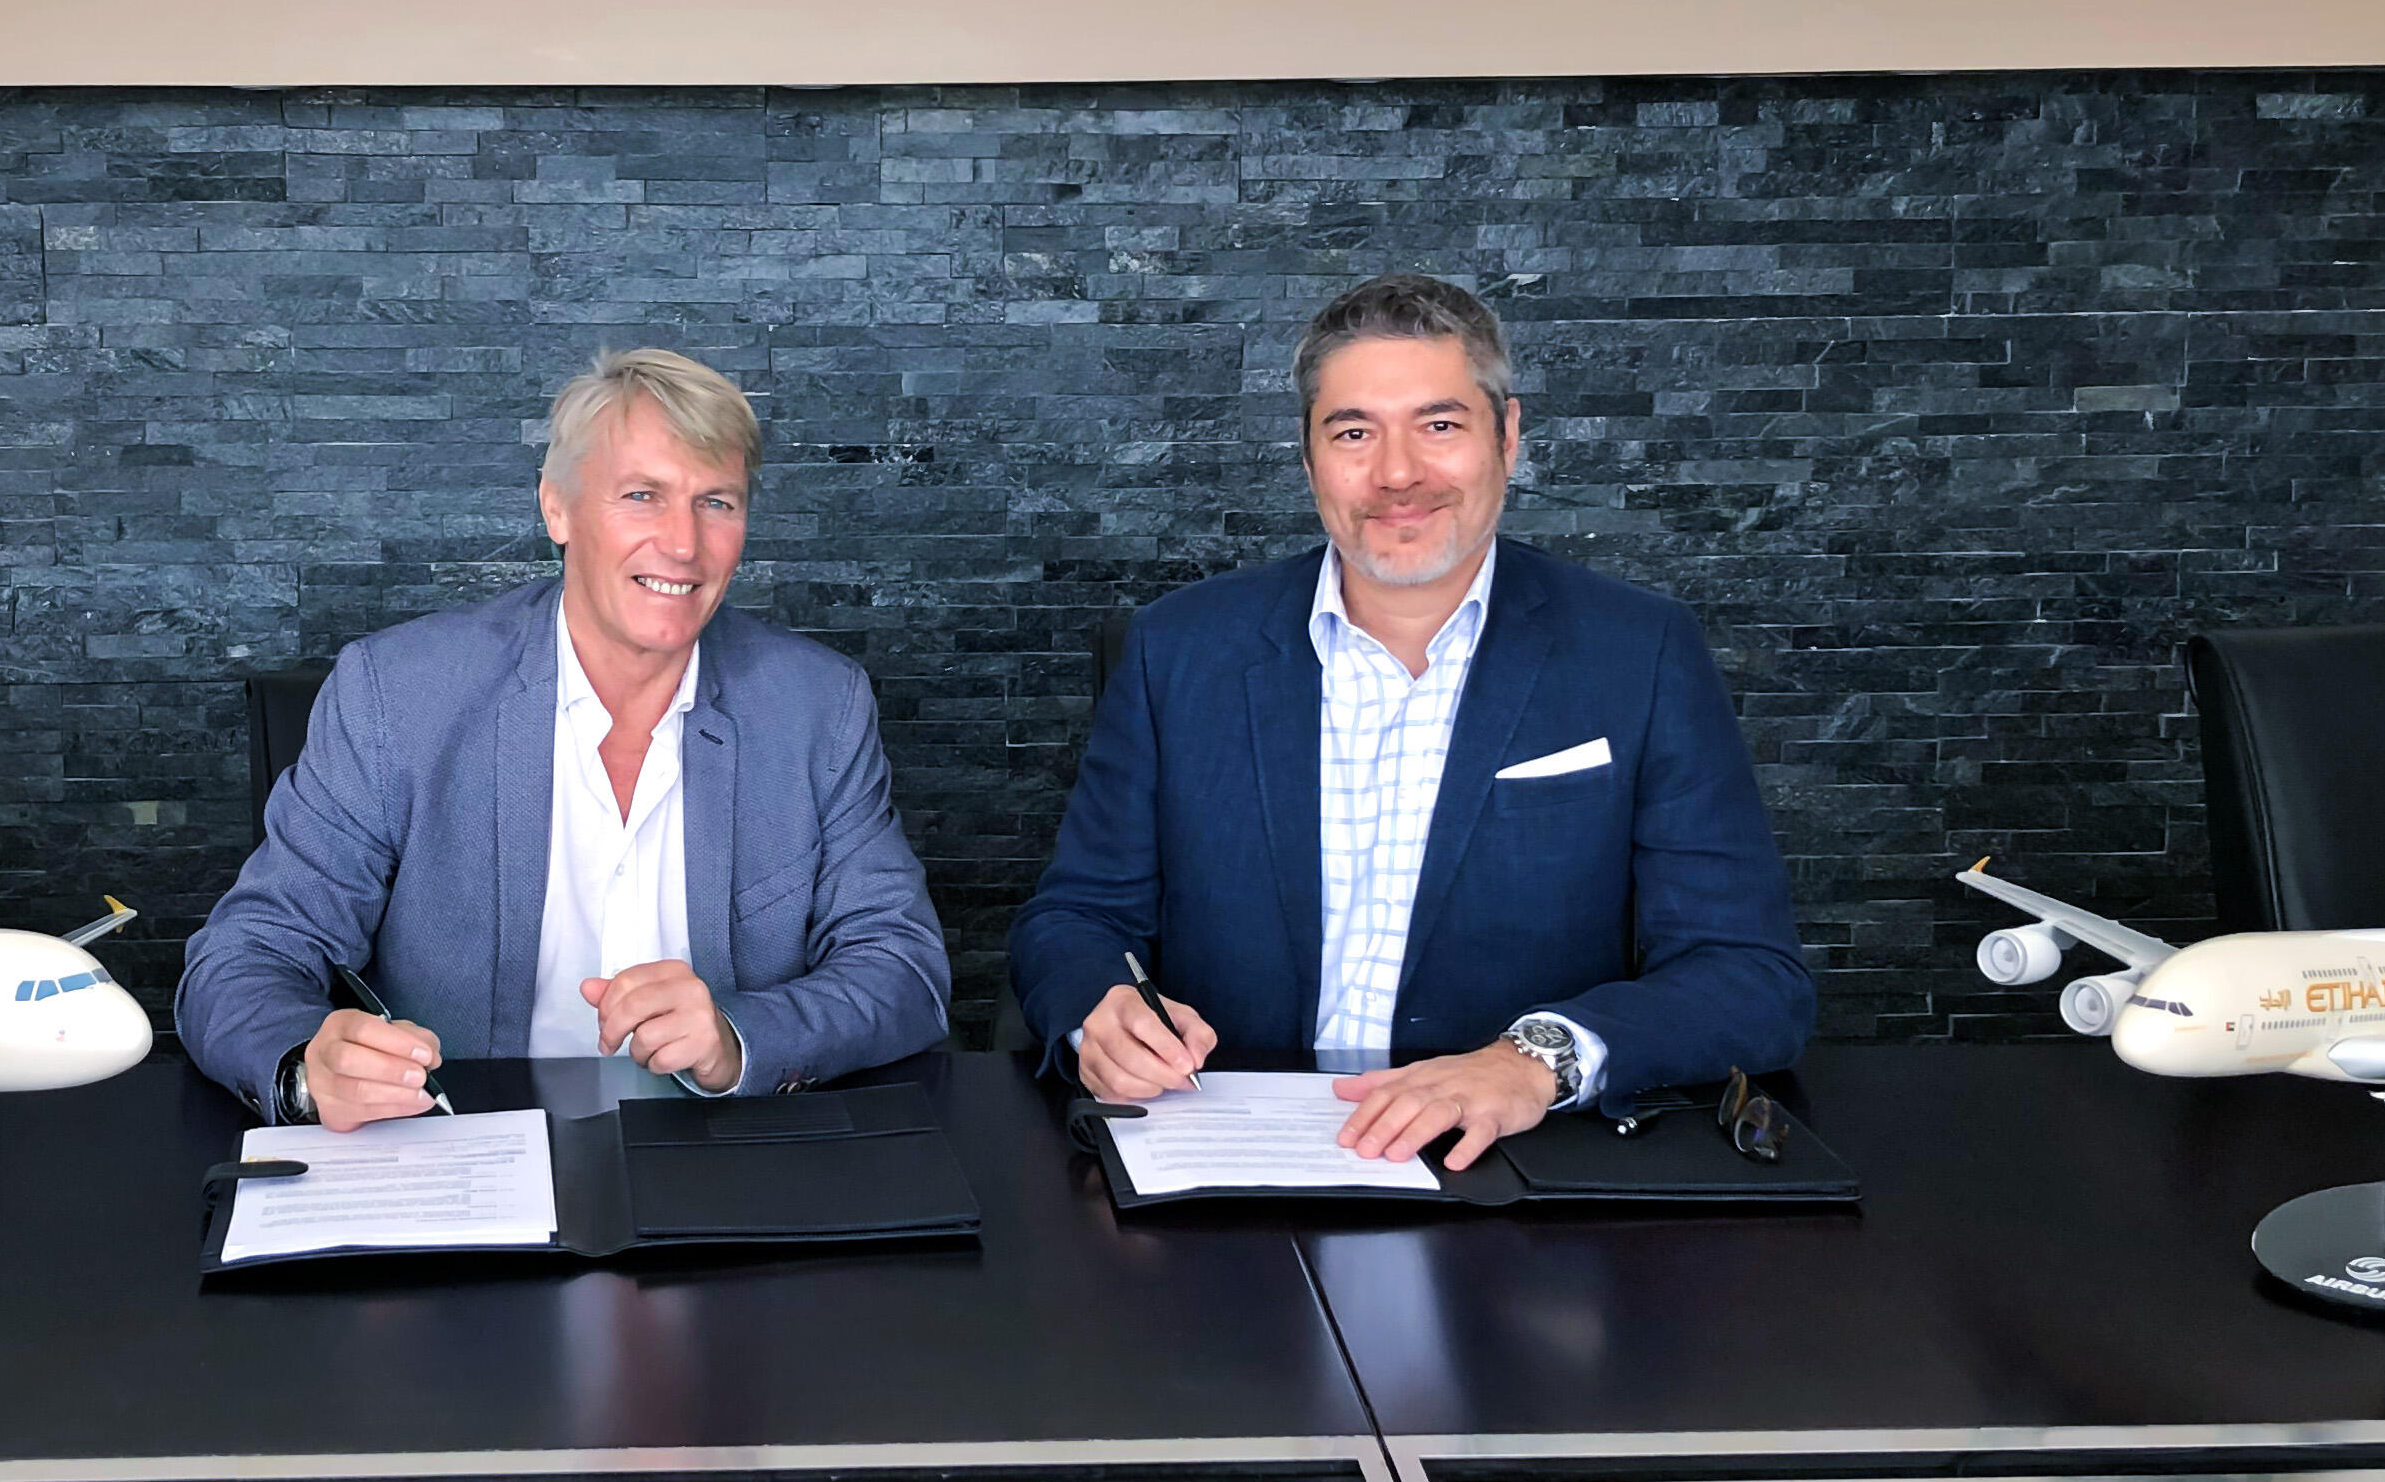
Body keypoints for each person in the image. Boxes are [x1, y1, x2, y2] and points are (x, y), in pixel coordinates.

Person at [1008, 271, 1815, 1168]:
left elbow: (1750, 975)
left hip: (1510, 1169)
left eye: (1439, 425)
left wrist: (1534, 1061)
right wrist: (1098, 1010)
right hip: (1226, 1155)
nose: (1397, 474)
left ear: (1508, 436)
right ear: (1309, 456)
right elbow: (1075, 918)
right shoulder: (1179, 647)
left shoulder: (1641, 653)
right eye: (1354, 432)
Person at [177, 348, 951, 1125]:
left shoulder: (818, 706)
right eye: (642, 495)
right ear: (558, 509)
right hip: (461, 1147)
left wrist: (739, 1038)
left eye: (716, 502)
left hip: (722, 1149)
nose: (684, 543)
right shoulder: (396, 695)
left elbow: (902, 969)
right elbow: (250, 954)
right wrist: (305, 1074)